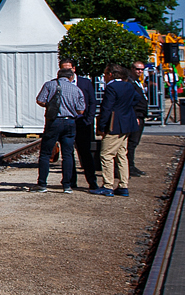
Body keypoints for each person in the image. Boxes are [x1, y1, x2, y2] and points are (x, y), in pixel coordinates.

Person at [97, 64, 146, 197]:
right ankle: (123, 185)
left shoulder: (111, 87)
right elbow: (137, 98)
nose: (105, 77)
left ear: (111, 74)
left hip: (115, 124)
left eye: (106, 74)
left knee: (106, 155)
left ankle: (108, 185)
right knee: (121, 154)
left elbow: (106, 108)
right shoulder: (129, 85)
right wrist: (126, 107)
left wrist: (102, 126)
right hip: (127, 124)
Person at [35, 65, 85, 193]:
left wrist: (51, 106)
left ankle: (42, 184)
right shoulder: (76, 89)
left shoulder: (49, 85)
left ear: (58, 76)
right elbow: (81, 109)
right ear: (71, 77)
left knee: (46, 153)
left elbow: (40, 100)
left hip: (54, 122)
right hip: (70, 122)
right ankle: (67, 185)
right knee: (68, 154)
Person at [63, 59, 98, 191]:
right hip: (67, 122)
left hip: (82, 122)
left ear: (74, 69)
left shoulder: (85, 83)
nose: (67, 72)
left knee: (85, 153)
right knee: (68, 153)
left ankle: (92, 181)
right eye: (64, 69)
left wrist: (89, 119)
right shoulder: (58, 84)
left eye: (69, 68)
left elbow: (92, 102)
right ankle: (71, 181)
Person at [127, 61, 149, 176]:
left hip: (141, 114)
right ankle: (129, 166)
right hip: (136, 115)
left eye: (141, 69)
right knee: (132, 142)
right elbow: (131, 101)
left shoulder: (137, 82)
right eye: (137, 69)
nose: (140, 71)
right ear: (132, 69)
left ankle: (131, 165)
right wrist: (135, 116)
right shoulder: (130, 82)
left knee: (135, 142)